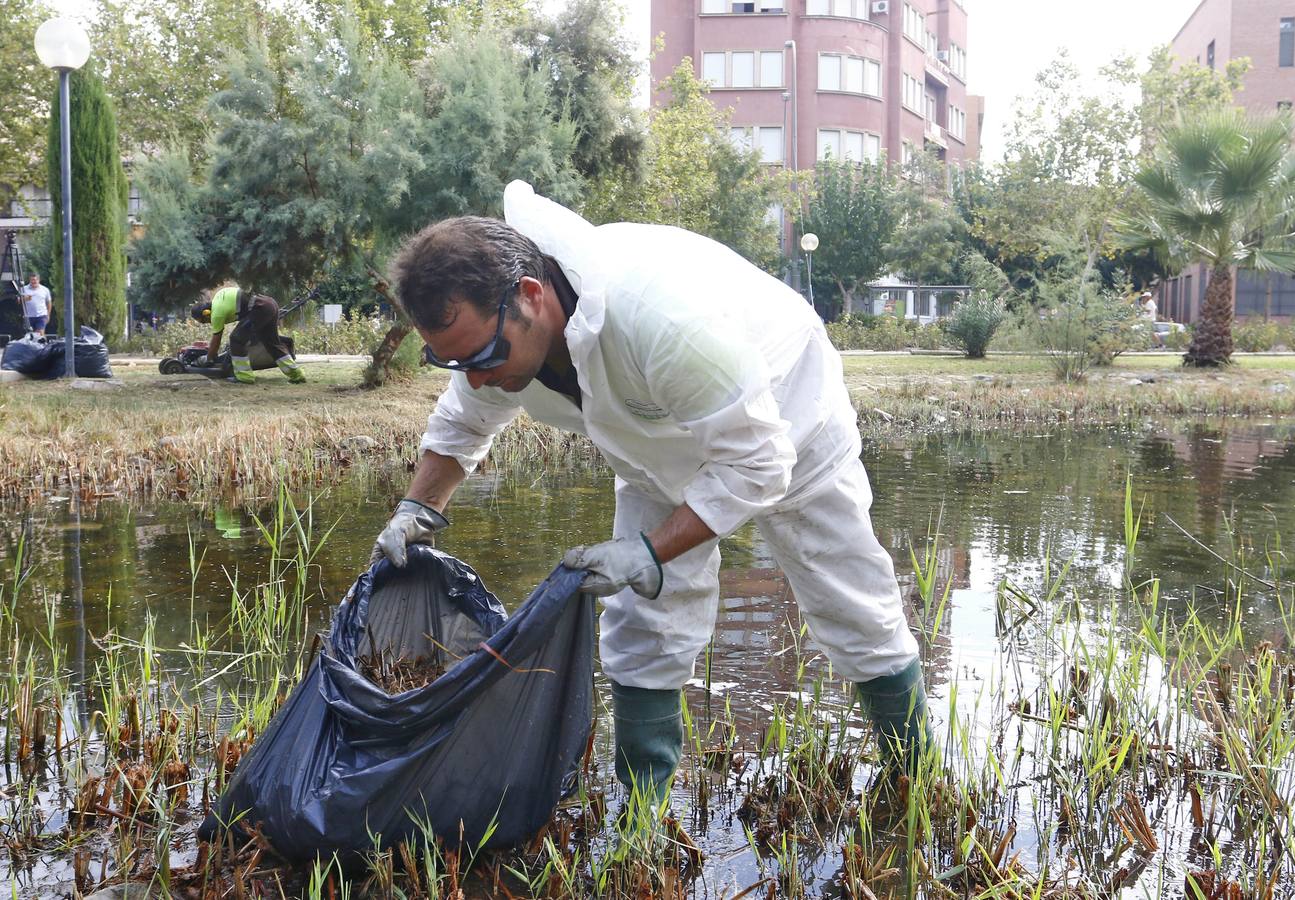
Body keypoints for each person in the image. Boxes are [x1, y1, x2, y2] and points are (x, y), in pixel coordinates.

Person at [371, 181, 932, 797]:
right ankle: (644, 817)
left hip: (789, 421)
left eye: (480, 356)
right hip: (654, 445)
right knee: (643, 622)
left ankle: (919, 784)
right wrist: (416, 509)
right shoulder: (495, 339)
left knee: (849, 601)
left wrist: (644, 551)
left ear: (530, 297)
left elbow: (757, 462)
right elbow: (462, 423)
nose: (475, 378)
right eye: (452, 363)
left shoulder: (656, 316)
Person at [190, 286, 305, 384]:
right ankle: (297, 375)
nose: (208, 323)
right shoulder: (219, 297)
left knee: (236, 339)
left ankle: (244, 377)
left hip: (258, 309)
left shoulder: (217, 314)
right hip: (269, 304)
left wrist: (208, 358)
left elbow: (216, 340)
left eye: (205, 321)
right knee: (272, 343)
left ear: (206, 313)